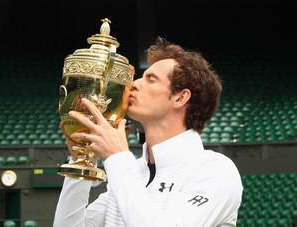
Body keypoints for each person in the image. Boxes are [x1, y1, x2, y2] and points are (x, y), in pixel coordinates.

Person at [53, 37, 243, 227]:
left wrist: (117, 157)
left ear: (180, 97)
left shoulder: (215, 170)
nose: (133, 84)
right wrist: (81, 162)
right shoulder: (133, 171)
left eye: (151, 80)